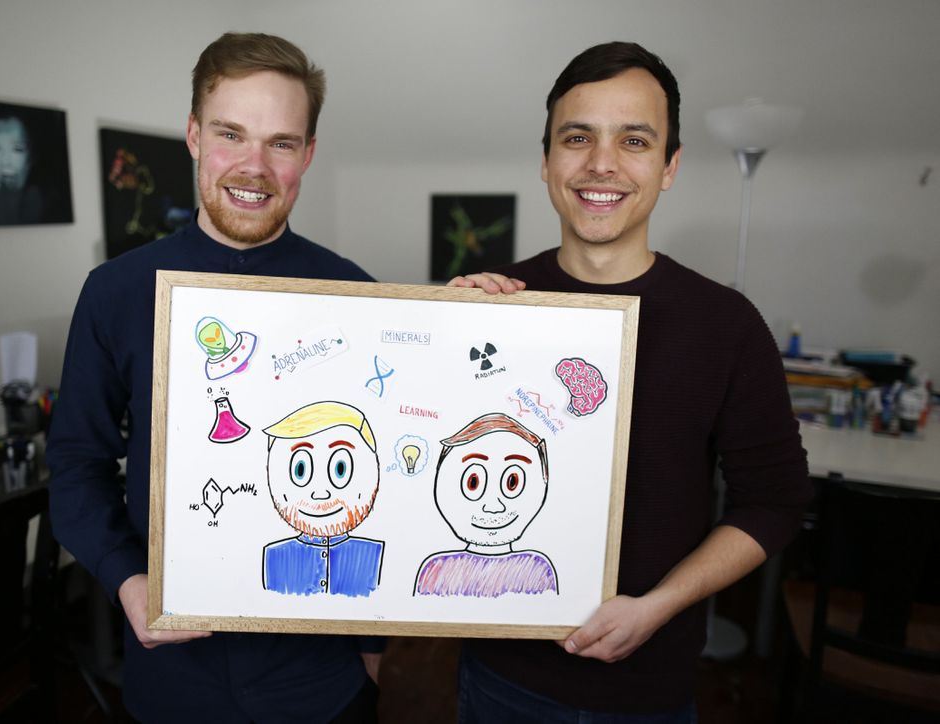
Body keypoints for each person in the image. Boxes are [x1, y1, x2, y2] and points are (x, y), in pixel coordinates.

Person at [450, 41, 812, 722]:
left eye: (634, 140)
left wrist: (660, 606)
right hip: (499, 676)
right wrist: (437, 336)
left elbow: (775, 501)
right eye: (577, 137)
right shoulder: (490, 308)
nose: (601, 163)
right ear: (546, 160)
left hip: (648, 690)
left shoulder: (726, 324)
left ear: (669, 166)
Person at [47, 33, 379, 723]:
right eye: (232, 134)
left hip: (319, 682)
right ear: (195, 136)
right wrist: (127, 579)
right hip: (173, 680)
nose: (255, 166)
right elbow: (76, 466)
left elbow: (385, 482)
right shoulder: (116, 291)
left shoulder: (357, 296)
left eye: (281, 142)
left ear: (308, 154)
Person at [414, 412, 557, 598]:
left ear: (544, 479)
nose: (493, 507)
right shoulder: (436, 570)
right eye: (473, 483)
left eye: (512, 482)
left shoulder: (537, 570)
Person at [262, 401, 384, 597]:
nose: (320, 493)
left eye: (340, 469)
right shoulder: (275, 557)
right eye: (300, 470)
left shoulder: (373, 556)